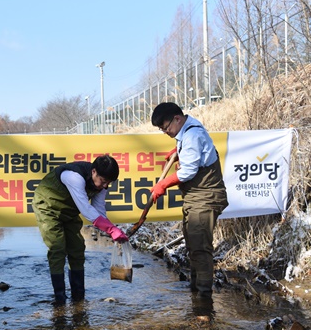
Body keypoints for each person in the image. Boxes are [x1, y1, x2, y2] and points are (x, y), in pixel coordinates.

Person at [150, 102, 228, 300]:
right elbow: (192, 152)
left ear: (177, 118)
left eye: (166, 127)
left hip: (205, 196)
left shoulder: (192, 135)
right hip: (196, 197)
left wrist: (163, 185)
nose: (165, 132)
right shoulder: (187, 129)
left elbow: (188, 172)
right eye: (162, 130)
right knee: (193, 243)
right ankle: (195, 291)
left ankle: (203, 299)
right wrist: (178, 151)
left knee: (200, 247)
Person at [32, 155, 129, 305]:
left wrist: (113, 229)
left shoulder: (102, 185)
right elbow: (86, 209)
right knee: (57, 248)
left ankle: (78, 298)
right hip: (48, 207)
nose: (105, 186)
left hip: (69, 211)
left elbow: (99, 210)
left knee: (77, 248)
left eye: (108, 183)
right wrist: (110, 229)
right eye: (103, 181)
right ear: (94, 172)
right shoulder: (74, 177)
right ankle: (60, 299)